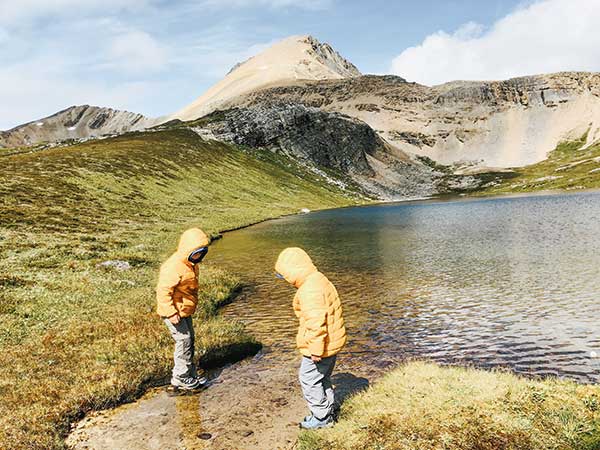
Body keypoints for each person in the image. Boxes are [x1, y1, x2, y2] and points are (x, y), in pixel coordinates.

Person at [274, 247, 347, 429]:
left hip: (320, 347)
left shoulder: (310, 290)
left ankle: (322, 417)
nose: (287, 281)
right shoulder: (318, 278)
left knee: (308, 379)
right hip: (330, 343)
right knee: (322, 378)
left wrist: (315, 350)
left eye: (285, 276)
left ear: (294, 271)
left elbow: (316, 322)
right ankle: (328, 408)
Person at [156, 227, 210, 391]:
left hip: (184, 310)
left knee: (189, 340)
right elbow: (163, 291)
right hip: (174, 312)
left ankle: (189, 374)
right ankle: (181, 377)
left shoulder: (190, 264)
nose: (198, 256)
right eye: (196, 253)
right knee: (183, 341)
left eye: (201, 253)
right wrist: (170, 312)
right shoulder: (173, 266)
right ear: (187, 249)